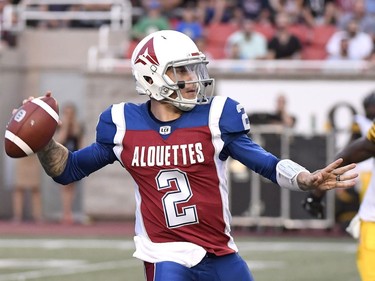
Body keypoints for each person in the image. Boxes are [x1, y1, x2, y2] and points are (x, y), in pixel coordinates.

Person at [28, 30, 357, 281]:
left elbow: (265, 162)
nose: (191, 81)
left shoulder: (215, 116)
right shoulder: (122, 124)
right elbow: (67, 169)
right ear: (151, 76)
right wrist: (43, 142)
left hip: (220, 250)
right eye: (180, 72)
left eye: (193, 70)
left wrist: (303, 178)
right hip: (164, 252)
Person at [55, 102, 84, 224]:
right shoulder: (60, 125)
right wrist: (66, 125)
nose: (69, 116)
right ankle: (66, 213)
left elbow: (80, 141)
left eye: (71, 113)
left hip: (75, 159)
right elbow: (59, 140)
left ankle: (68, 212)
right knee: (64, 187)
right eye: (67, 113)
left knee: (72, 187)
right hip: (63, 159)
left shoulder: (78, 126)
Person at [12, 154, 43, 224]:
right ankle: (17, 216)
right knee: (19, 188)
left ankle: (37, 216)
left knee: (35, 188)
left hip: (34, 158)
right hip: (20, 157)